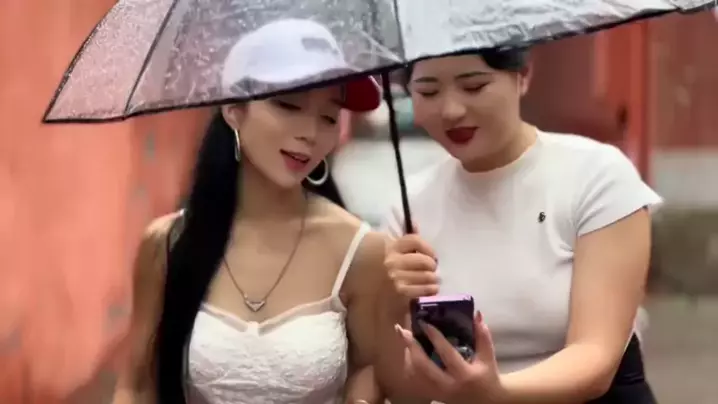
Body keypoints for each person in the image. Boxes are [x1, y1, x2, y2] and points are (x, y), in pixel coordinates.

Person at [113, 19, 388, 404]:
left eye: (328, 117)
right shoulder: (167, 245)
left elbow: (369, 369)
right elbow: (137, 385)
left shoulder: (361, 250)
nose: (310, 132)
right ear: (233, 109)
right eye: (288, 105)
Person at [374, 47, 661, 403]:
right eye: (428, 92)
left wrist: (496, 393)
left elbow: (596, 356)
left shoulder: (596, 175)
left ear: (522, 76)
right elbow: (403, 386)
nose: (451, 110)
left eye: (474, 86)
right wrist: (392, 302)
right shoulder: (408, 208)